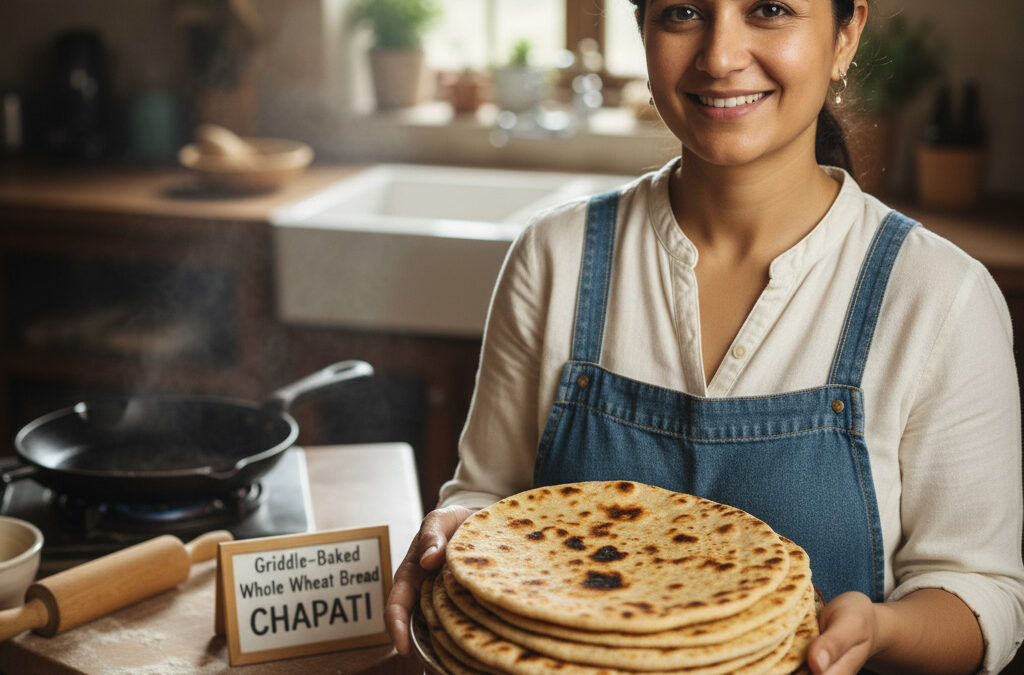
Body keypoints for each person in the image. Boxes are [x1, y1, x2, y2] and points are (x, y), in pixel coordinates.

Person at [386, 0, 1024, 672]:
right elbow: (487, 499)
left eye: (770, 9)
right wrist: (449, 538)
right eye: (684, 12)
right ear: (642, 30)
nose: (719, 57)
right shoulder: (554, 258)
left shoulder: (939, 296)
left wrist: (881, 626)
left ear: (845, 36)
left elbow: (983, 594)